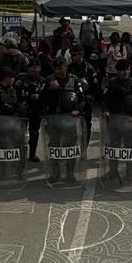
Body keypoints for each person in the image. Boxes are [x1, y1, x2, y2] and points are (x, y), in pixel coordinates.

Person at [40, 56, 88, 184]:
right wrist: (49, 89)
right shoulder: (49, 80)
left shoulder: (74, 80)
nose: (58, 71)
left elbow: (82, 99)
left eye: (60, 68)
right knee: (54, 147)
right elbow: (42, 99)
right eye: (55, 69)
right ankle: (55, 173)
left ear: (65, 67)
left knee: (70, 147)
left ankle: (70, 173)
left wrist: (78, 110)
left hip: (70, 119)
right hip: (54, 120)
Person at [101, 58, 132, 185]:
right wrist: (105, 111)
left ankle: (130, 172)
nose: (126, 72)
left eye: (127, 69)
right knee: (113, 147)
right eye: (123, 70)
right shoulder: (111, 83)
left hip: (130, 122)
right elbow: (104, 99)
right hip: (115, 120)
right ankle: (112, 171)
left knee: (129, 148)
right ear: (118, 71)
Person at [15, 57, 47, 162]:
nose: (32, 70)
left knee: (34, 133)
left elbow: (47, 96)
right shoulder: (20, 78)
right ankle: (19, 154)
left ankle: (32, 155)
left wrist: (40, 97)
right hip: (22, 110)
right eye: (30, 68)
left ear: (39, 69)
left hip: (36, 111)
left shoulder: (43, 81)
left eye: (35, 67)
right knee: (20, 133)